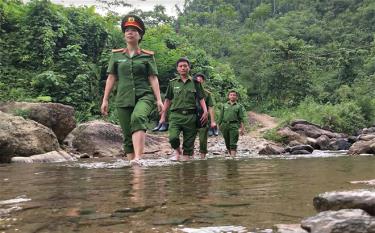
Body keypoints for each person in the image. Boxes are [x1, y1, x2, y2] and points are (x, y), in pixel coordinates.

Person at [101, 15, 163, 163]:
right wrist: (105, 100)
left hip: (144, 96)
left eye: (134, 30)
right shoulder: (116, 56)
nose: (130, 32)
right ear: (124, 35)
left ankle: (138, 158)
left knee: (138, 118)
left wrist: (159, 100)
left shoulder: (147, 57)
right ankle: (133, 170)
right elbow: (111, 78)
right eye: (127, 30)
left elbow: (153, 78)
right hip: (123, 98)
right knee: (127, 135)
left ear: (139, 35)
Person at [159, 57, 208, 161]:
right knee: (173, 138)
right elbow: (167, 100)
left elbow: (201, 98)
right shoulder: (172, 83)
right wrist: (163, 116)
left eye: (185, 66)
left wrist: (205, 111)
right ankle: (177, 151)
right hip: (175, 116)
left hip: (191, 117)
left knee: (188, 147)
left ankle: (187, 169)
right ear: (177, 69)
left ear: (189, 68)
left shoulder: (196, 83)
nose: (183, 68)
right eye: (180, 66)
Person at [194, 73, 217, 159]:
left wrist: (212, 121)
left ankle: (202, 158)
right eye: (197, 78)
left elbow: (210, 107)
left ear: (203, 81)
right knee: (189, 138)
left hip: (203, 118)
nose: (199, 80)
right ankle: (188, 157)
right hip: (190, 118)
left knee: (203, 139)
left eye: (201, 79)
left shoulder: (207, 94)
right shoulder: (190, 91)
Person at [218, 90, 247, 157]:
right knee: (227, 142)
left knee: (233, 142)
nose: (232, 96)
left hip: (234, 125)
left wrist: (242, 129)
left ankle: (233, 157)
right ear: (228, 96)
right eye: (231, 95)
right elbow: (220, 116)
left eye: (234, 95)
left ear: (236, 97)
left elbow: (241, 118)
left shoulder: (239, 106)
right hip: (225, 125)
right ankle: (230, 155)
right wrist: (218, 125)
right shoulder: (224, 105)